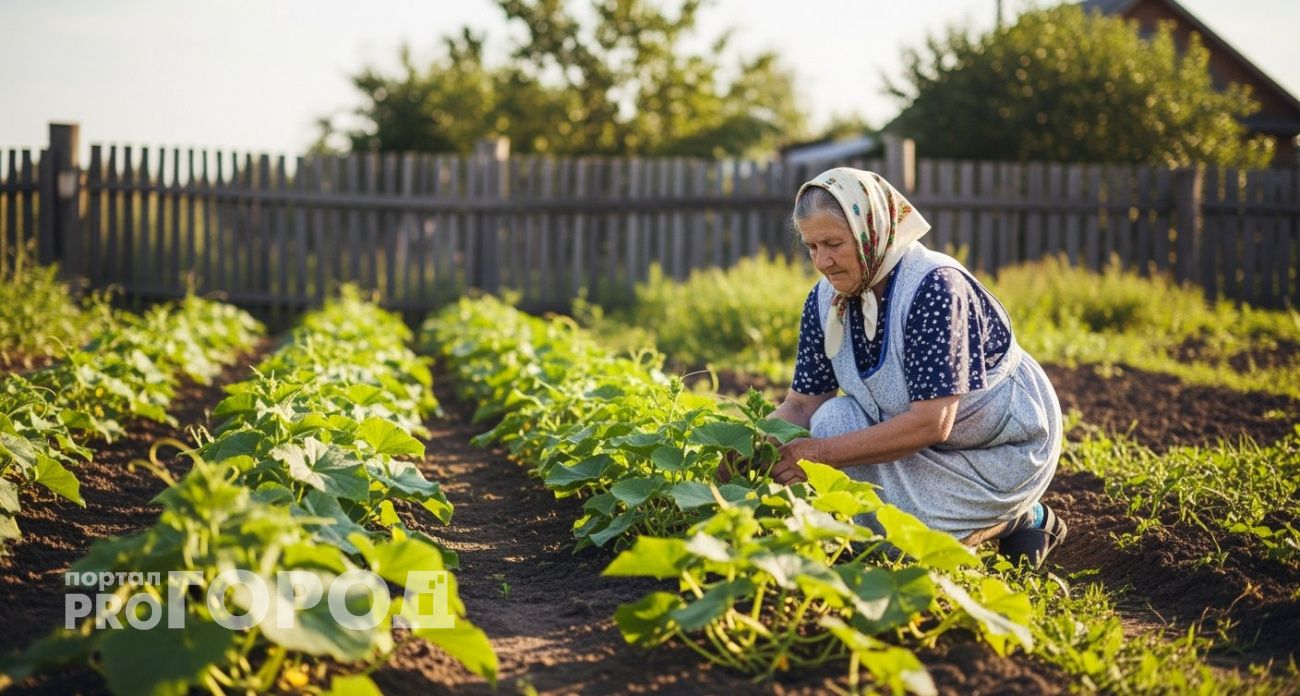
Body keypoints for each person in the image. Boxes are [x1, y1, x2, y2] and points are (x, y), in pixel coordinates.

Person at [767, 167, 1067, 567]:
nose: (823, 261)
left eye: (834, 244)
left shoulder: (933, 286)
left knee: (901, 547)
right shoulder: (825, 301)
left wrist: (819, 453)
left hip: (1002, 448)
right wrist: (752, 447)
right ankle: (951, 525)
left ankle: (1021, 516)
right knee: (831, 419)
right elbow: (803, 405)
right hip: (918, 440)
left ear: (870, 231)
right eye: (812, 247)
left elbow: (931, 423)